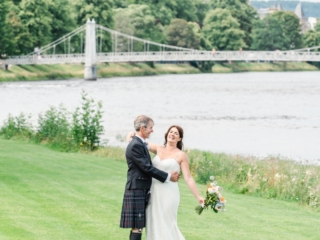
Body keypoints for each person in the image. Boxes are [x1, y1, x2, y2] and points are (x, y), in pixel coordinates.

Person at [127, 125, 205, 240]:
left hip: (169, 194)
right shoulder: (158, 148)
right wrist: (130, 135)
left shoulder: (181, 155)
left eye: (176, 133)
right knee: (153, 224)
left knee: (167, 224)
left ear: (179, 139)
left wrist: (198, 196)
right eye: (171, 132)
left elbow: (188, 178)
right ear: (167, 134)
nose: (172, 134)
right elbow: (138, 143)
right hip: (153, 193)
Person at [120, 115, 180, 240]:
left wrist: (129, 138)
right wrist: (168, 176)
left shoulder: (139, 143)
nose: (152, 130)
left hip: (140, 188)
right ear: (142, 128)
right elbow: (147, 168)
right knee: (137, 226)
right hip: (137, 189)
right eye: (150, 128)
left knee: (139, 226)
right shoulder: (136, 145)